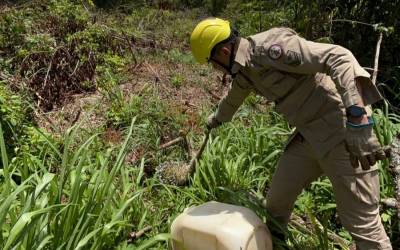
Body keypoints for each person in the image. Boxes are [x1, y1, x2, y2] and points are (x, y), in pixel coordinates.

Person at [190, 17, 392, 249]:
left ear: (223, 52)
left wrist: (359, 120)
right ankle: (276, 245)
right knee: (276, 204)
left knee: (363, 227)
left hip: (342, 134)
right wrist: (216, 119)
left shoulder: (268, 48)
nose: (214, 68)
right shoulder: (245, 71)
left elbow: (338, 57)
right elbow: (233, 99)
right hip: (308, 137)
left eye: (212, 62)